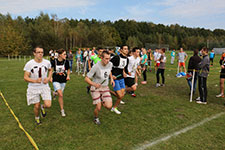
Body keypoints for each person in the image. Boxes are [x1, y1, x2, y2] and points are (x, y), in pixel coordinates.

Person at [23, 47, 52, 125]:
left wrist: (48, 78)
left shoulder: (47, 62)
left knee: (48, 105)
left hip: (44, 86)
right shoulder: (29, 64)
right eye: (38, 52)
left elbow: (50, 70)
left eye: (42, 52)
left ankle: (43, 107)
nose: (40, 54)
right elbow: (25, 77)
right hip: (33, 87)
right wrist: (35, 81)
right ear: (34, 53)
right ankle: (37, 118)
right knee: (36, 106)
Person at [85, 51, 115, 125]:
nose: (108, 61)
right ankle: (96, 117)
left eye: (109, 59)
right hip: (96, 88)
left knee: (109, 106)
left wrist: (111, 79)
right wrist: (94, 84)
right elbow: (86, 78)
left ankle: (101, 100)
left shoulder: (110, 64)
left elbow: (109, 71)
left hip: (105, 87)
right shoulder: (96, 66)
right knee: (98, 107)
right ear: (101, 58)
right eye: (106, 59)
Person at [110, 45, 129, 114]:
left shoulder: (127, 59)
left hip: (121, 78)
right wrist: (111, 76)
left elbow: (124, 68)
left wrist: (125, 72)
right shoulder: (116, 58)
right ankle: (114, 108)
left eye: (127, 49)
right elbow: (108, 65)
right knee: (120, 96)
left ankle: (109, 92)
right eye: (125, 49)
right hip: (115, 78)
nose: (126, 50)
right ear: (121, 50)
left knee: (122, 94)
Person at [51, 49, 70, 117]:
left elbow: (68, 69)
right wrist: (50, 77)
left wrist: (68, 76)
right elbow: (51, 69)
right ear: (59, 55)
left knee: (59, 94)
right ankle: (62, 110)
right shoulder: (54, 61)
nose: (66, 55)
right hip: (55, 79)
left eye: (65, 54)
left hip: (63, 80)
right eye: (64, 54)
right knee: (61, 95)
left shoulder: (66, 62)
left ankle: (54, 93)